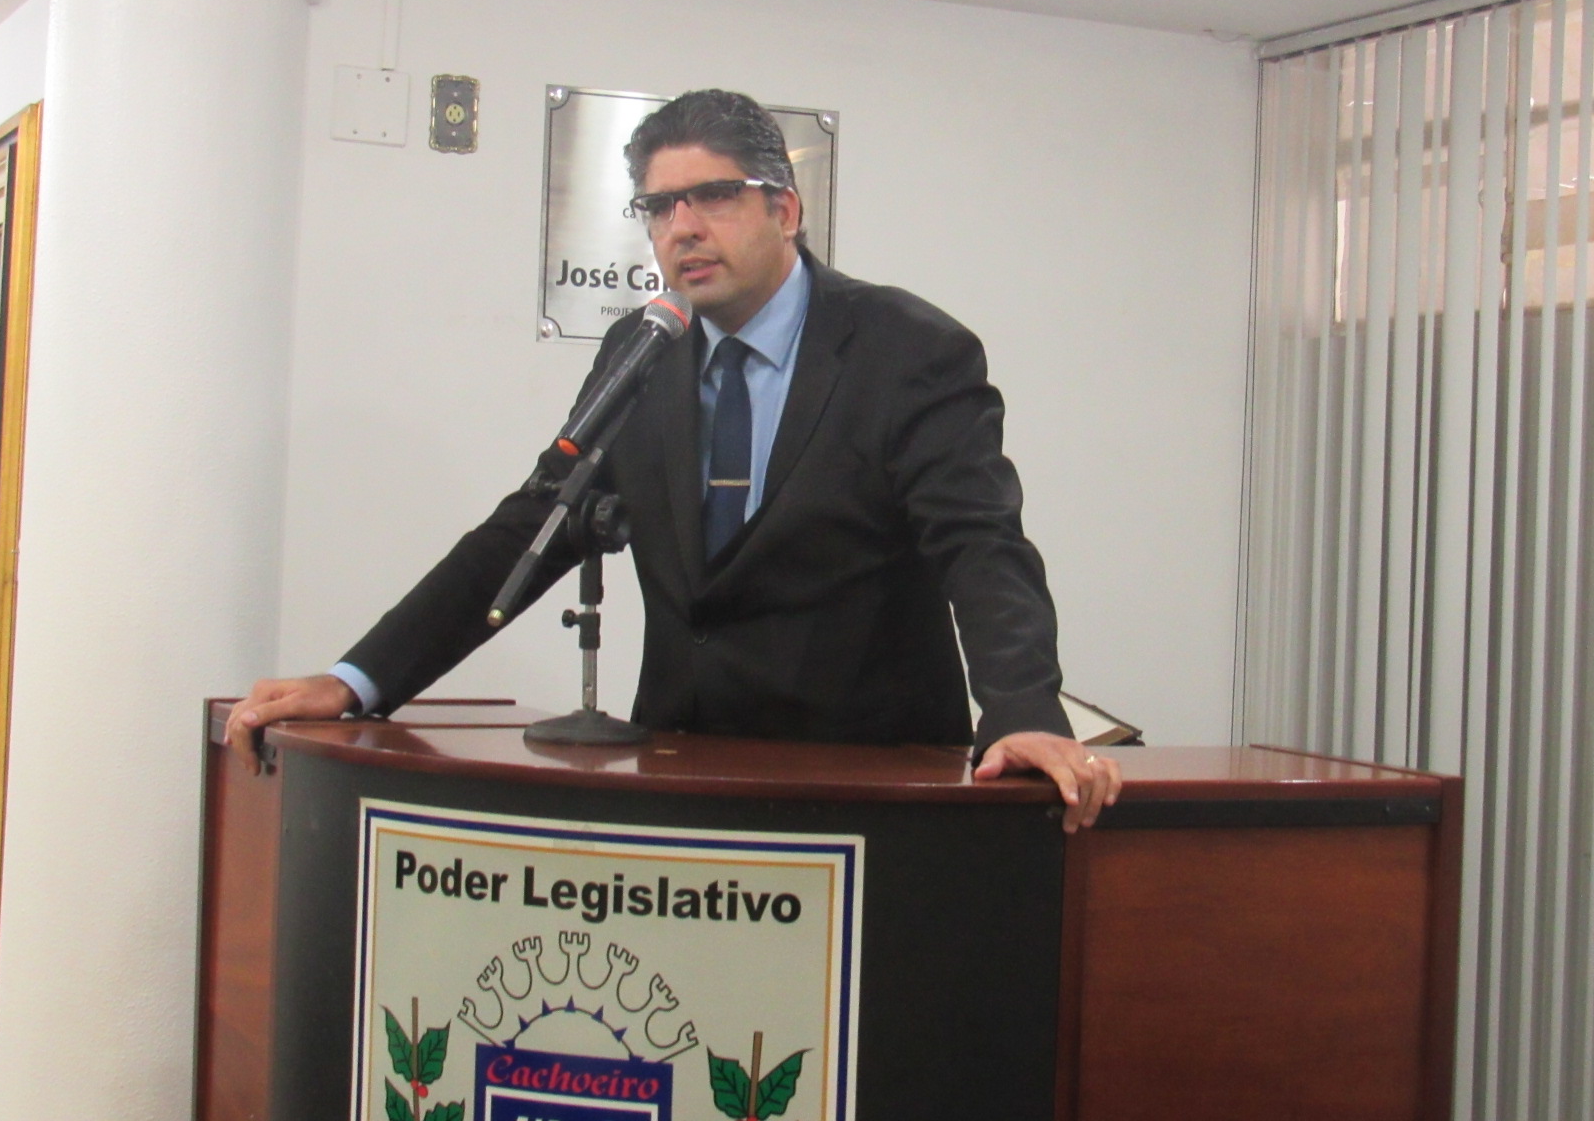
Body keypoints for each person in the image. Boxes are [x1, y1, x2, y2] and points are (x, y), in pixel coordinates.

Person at [226, 90, 1120, 829]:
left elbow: (981, 545)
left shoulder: (905, 348)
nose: (682, 228)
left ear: (785, 210)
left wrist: (1025, 713)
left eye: (713, 197)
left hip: (872, 788)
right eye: (659, 207)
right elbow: (533, 524)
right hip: (679, 779)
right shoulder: (642, 351)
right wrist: (357, 681)